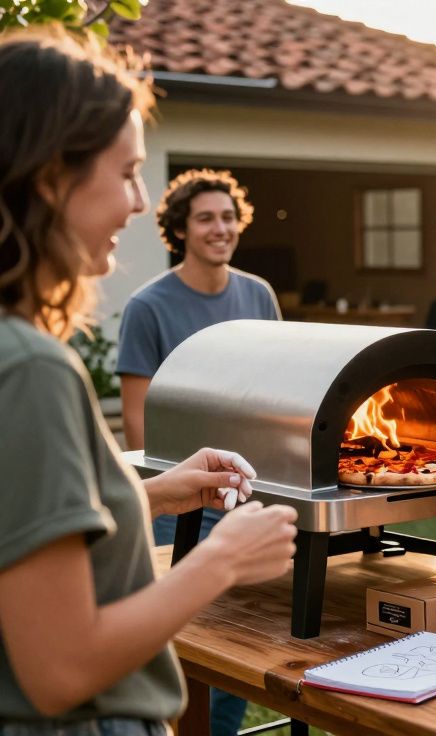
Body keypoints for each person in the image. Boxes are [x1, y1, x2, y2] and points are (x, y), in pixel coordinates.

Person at [0, 27, 298, 734]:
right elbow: (61, 669)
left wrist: (157, 492)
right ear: (52, 176)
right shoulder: (30, 368)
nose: (139, 201)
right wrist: (221, 561)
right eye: (128, 171)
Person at [116, 169, 279, 736]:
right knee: (183, 641)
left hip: (249, 490)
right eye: (206, 218)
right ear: (180, 230)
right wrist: (169, 490)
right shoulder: (148, 306)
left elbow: (278, 389)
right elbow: (137, 420)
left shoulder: (257, 294)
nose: (220, 228)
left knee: (244, 637)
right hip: (180, 498)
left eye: (228, 217)